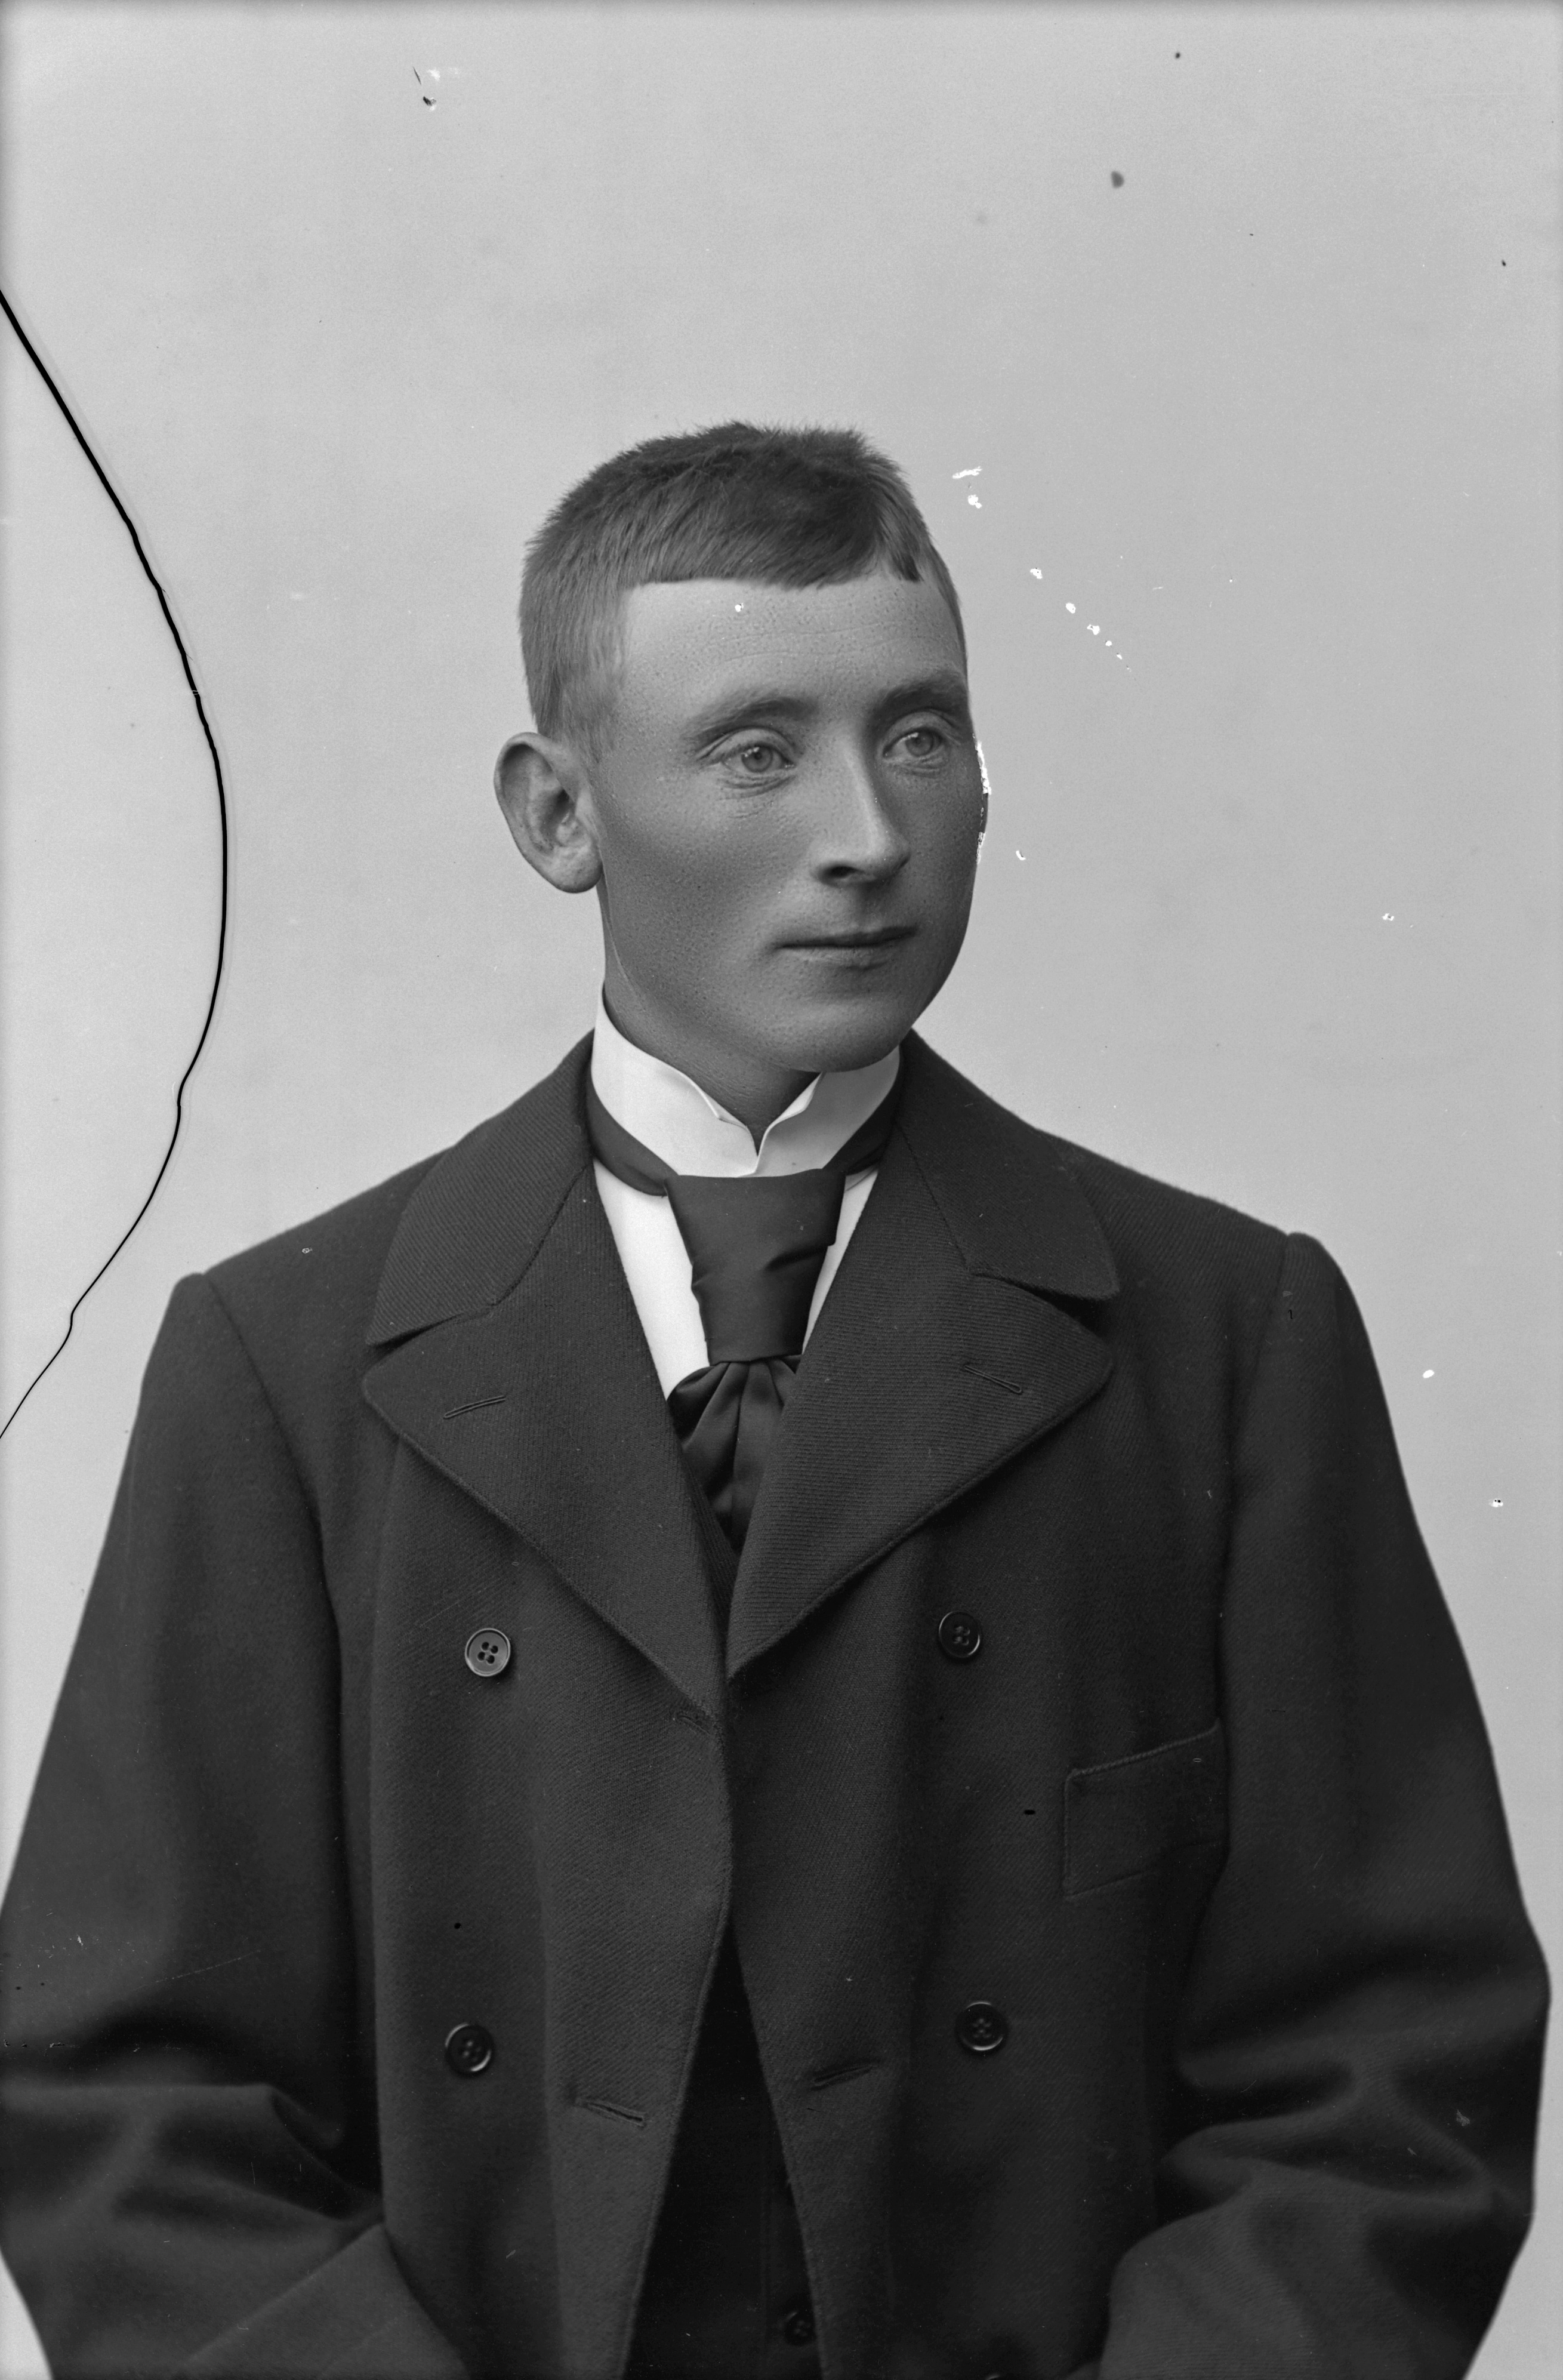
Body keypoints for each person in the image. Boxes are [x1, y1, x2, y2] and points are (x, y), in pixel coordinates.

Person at [0, 423, 1546, 2380]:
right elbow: (128, 2097)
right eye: (755, 750)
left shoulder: (1228, 1336)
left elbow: (1383, 2064)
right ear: (556, 813)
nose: (869, 832)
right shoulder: (285, 1359)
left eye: (919, 734)